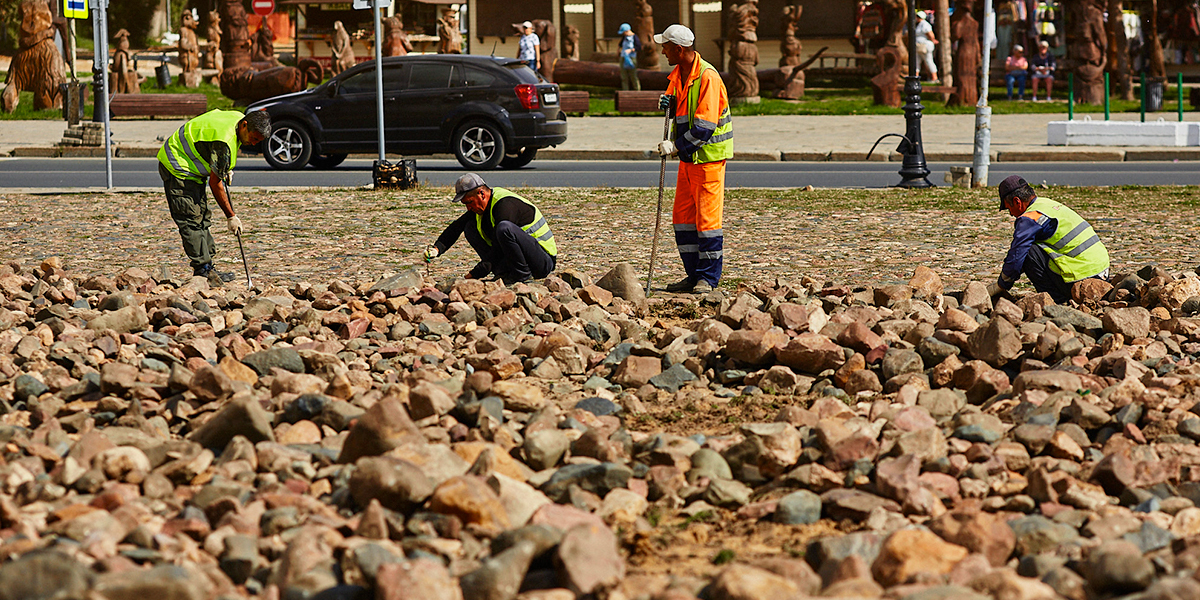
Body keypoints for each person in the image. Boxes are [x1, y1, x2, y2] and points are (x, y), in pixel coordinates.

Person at [654, 24, 733, 294]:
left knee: (708, 222)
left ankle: (708, 279)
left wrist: (673, 147)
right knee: (683, 218)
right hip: (689, 159)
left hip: (708, 159)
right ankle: (693, 274)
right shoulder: (678, 75)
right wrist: (669, 104)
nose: (662, 51)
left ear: (679, 49)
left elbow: (704, 127)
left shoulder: (707, 77)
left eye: (665, 46)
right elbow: (683, 108)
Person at [158, 109, 270, 285]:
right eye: (254, 138)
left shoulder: (239, 119)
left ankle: (209, 268)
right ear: (245, 125)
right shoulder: (224, 140)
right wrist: (231, 216)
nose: (254, 144)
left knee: (202, 215)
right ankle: (202, 271)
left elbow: (215, 154)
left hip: (191, 164)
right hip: (178, 165)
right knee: (190, 218)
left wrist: (223, 167)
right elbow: (215, 184)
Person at [988, 175, 1110, 304]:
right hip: (1102, 273)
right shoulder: (1047, 204)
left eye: (1009, 208)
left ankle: (1056, 301)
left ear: (1017, 201)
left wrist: (1001, 285)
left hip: (1083, 279)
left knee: (1028, 253)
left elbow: (1016, 257)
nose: (1011, 214)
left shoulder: (1029, 218)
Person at [424, 173, 557, 285]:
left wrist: (475, 274)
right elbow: (456, 227)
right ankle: (504, 273)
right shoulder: (480, 208)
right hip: (520, 259)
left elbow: (497, 249)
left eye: (469, 202)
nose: (468, 208)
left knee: (504, 229)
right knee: (470, 227)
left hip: (543, 261)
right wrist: (436, 249)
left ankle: (522, 276)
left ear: (481, 193)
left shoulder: (504, 205)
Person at [914, 10, 939, 82]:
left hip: (925, 46)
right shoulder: (918, 24)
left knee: (928, 61)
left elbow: (930, 34)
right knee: (916, 62)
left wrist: (933, 40)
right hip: (918, 46)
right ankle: (915, 77)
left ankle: (934, 77)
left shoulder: (925, 24)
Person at [618, 23, 642, 91]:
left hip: (631, 58)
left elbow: (639, 47)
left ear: (627, 31)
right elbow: (620, 45)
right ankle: (625, 91)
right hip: (623, 57)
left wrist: (631, 50)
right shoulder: (624, 37)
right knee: (624, 76)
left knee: (633, 75)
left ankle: (637, 90)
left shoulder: (635, 37)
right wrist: (619, 51)